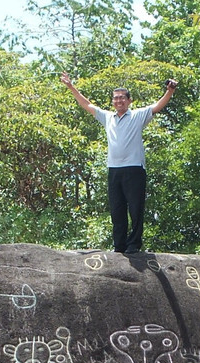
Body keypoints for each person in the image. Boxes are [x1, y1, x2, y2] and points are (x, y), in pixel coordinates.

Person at [61, 72, 177, 254]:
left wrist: (169, 91)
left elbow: (157, 106)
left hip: (134, 168)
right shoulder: (108, 117)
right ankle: (119, 244)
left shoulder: (138, 115)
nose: (118, 101)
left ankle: (133, 244)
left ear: (129, 101)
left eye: (122, 98)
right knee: (117, 209)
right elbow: (87, 104)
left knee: (136, 208)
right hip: (114, 169)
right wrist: (71, 87)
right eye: (115, 98)